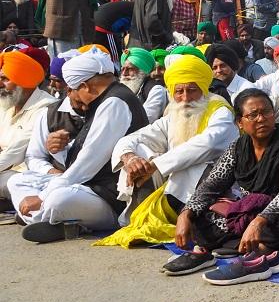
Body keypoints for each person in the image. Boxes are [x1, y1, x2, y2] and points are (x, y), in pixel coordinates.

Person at [166, 89, 279, 280]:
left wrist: (258, 222)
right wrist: (185, 214)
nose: (261, 119)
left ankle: (255, 252)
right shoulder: (238, 148)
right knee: (198, 218)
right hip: (249, 212)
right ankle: (249, 246)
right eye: (252, 115)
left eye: (266, 112)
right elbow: (211, 184)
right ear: (240, 122)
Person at [8, 49, 149, 242]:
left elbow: (88, 161)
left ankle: (42, 218)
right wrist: (57, 150)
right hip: (89, 187)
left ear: (85, 86)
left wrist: (42, 197)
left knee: (58, 199)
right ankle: (56, 222)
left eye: (75, 92)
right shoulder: (105, 100)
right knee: (17, 181)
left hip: (111, 197)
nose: (76, 102)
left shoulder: (114, 103)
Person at [97, 54, 237, 246]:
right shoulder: (175, 113)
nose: (186, 98)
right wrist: (130, 158)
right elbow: (133, 138)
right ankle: (146, 215)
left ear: (203, 89)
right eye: (179, 91)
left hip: (219, 184)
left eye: (192, 90)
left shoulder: (219, 110)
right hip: (176, 184)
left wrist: (155, 165)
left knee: (190, 166)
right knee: (139, 153)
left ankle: (184, 218)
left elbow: (209, 143)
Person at [0, 51, 57, 204]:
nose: (0, 84)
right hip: (5, 167)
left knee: (10, 182)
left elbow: (15, 153)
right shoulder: (6, 103)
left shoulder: (46, 107)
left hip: (26, 173)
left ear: (23, 81)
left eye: (5, 79)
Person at [120, 47, 169, 123]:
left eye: (130, 69)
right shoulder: (120, 89)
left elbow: (144, 120)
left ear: (142, 71)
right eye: (123, 69)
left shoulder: (156, 90)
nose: (124, 73)